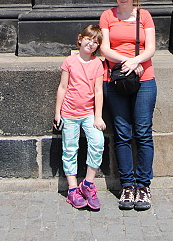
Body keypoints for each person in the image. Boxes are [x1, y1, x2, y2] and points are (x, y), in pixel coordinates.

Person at [100, 0, 156, 211]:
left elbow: (151, 48)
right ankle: (127, 185)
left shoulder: (144, 16)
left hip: (144, 78)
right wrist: (128, 62)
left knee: (143, 132)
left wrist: (137, 61)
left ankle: (143, 185)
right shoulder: (107, 16)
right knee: (122, 133)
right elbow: (104, 48)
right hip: (116, 78)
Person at [54, 24, 106, 210]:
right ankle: (72, 189)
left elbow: (98, 91)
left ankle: (88, 183)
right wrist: (57, 113)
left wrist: (98, 116)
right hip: (69, 113)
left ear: (98, 46)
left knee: (97, 142)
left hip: (88, 114)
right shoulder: (70, 61)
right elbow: (62, 87)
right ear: (80, 39)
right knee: (69, 149)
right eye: (88, 39)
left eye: (95, 42)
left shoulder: (97, 64)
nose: (90, 44)